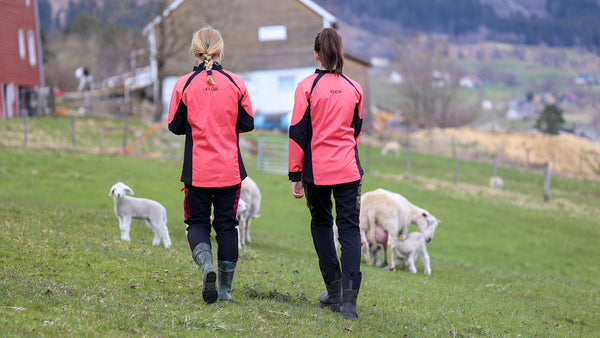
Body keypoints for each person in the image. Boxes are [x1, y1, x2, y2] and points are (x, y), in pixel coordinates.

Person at [168, 26, 254, 304]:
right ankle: (226, 290)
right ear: (220, 51)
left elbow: (175, 126)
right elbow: (247, 123)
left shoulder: (183, 85)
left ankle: (207, 266)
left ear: (195, 52)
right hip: (229, 170)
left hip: (197, 171)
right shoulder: (237, 83)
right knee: (228, 225)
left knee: (197, 222)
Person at [288, 27, 364, 319]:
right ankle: (349, 303)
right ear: (340, 53)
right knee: (349, 230)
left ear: (316, 54)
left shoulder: (306, 87)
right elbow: (356, 130)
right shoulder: (355, 88)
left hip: (316, 172)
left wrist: (295, 174)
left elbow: (297, 133)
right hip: (348, 169)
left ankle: (334, 291)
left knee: (321, 223)